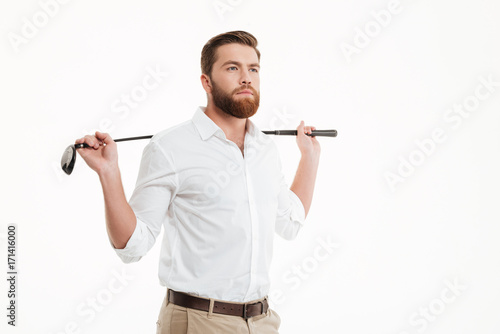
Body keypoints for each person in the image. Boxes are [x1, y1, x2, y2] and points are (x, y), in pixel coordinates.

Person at [75, 30, 321, 334]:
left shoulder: (265, 150)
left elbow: (290, 223)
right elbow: (132, 246)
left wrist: (309, 157)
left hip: (263, 322)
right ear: (207, 82)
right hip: (199, 321)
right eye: (232, 68)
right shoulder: (169, 148)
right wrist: (108, 172)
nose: (246, 78)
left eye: (253, 69)